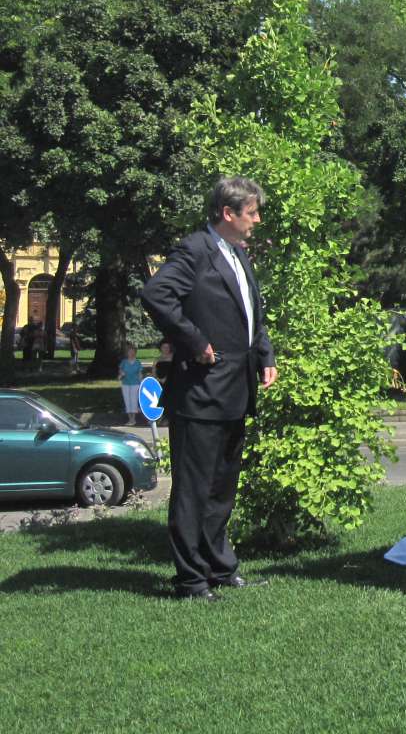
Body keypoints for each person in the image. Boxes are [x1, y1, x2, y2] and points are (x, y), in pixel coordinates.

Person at [141, 177, 277, 602]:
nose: (257, 219)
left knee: (222, 487)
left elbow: (252, 311)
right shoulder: (195, 250)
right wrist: (194, 341)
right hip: (200, 392)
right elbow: (156, 294)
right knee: (194, 490)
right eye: (251, 212)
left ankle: (219, 568)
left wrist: (266, 356)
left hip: (237, 387)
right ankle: (190, 580)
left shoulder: (238, 254)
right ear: (228, 214)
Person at [118, 342, 144, 426]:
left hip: (135, 384)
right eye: (129, 352)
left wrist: (142, 383)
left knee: (134, 401)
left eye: (133, 352)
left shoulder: (138, 362)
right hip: (125, 384)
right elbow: (120, 372)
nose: (131, 353)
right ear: (127, 353)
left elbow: (140, 374)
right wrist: (121, 374)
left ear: (135, 353)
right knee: (127, 401)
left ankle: (133, 419)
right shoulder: (124, 362)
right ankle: (130, 419)